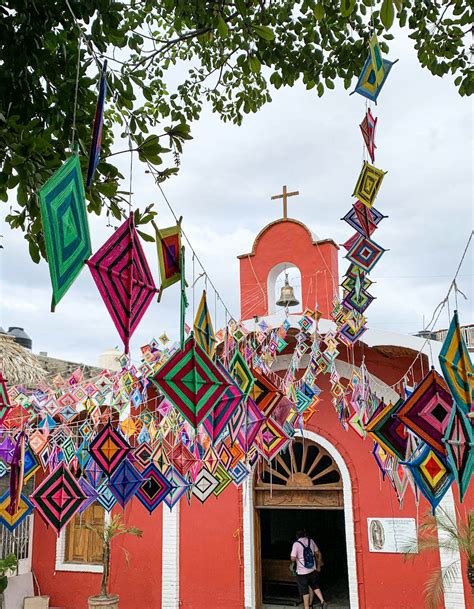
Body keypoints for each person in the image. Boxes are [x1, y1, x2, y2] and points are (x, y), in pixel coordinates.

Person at [290, 529, 327, 609]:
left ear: (297, 536)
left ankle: (307, 607)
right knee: (315, 585)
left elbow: (293, 558)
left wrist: (296, 559)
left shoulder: (296, 544)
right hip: (312, 569)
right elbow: (317, 553)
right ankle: (322, 601)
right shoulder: (311, 541)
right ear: (305, 535)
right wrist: (318, 566)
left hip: (302, 571)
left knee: (304, 590)